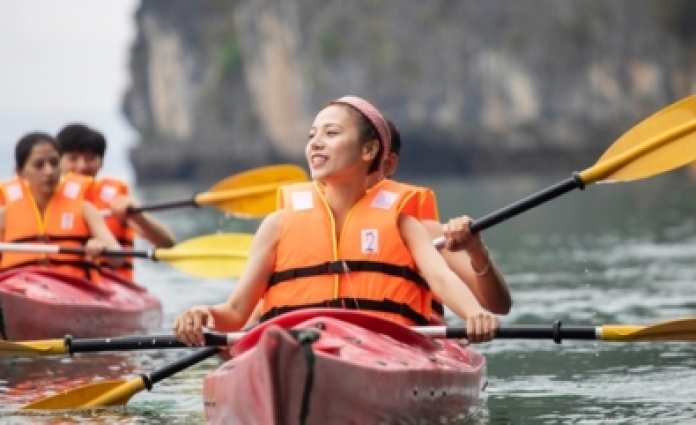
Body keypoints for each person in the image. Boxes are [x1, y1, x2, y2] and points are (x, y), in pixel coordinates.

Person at [174, 96, 499, 346]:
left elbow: (441, 279)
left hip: (385, 348)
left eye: (331, 133)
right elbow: (235, 312)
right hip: (297, 345)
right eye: (312, 134)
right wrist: (204, 313)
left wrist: (473, 313)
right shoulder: (277, 225)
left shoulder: (404, 224)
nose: (315, 142)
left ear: (370, 150)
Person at [379, 120, 513, 317]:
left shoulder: (427, 232)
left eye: (333, 134)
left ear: (388, 164)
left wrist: (476, 250)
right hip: (330, 335)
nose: (320, 145)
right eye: (314, 136)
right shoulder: (317, 225)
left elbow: (499, 306)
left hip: (411, 339)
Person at [56, 124, 176, 281]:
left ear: (101, 162)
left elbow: (168, 245)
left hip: (114, 287)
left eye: (90, 158)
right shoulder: (48, 202)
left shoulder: (118, 201)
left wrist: (138, 216)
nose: (82, 166)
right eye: (73, 159)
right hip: (62, 284)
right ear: (58, 162)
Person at [0, 132, 123, 281]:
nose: (49, 171)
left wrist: (101, 247)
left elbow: (118, 258)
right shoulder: (4, 216)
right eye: (39, 165)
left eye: (54, 163)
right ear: (20, 173)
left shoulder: (85, 209)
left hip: (72, 288)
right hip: (18, 287)